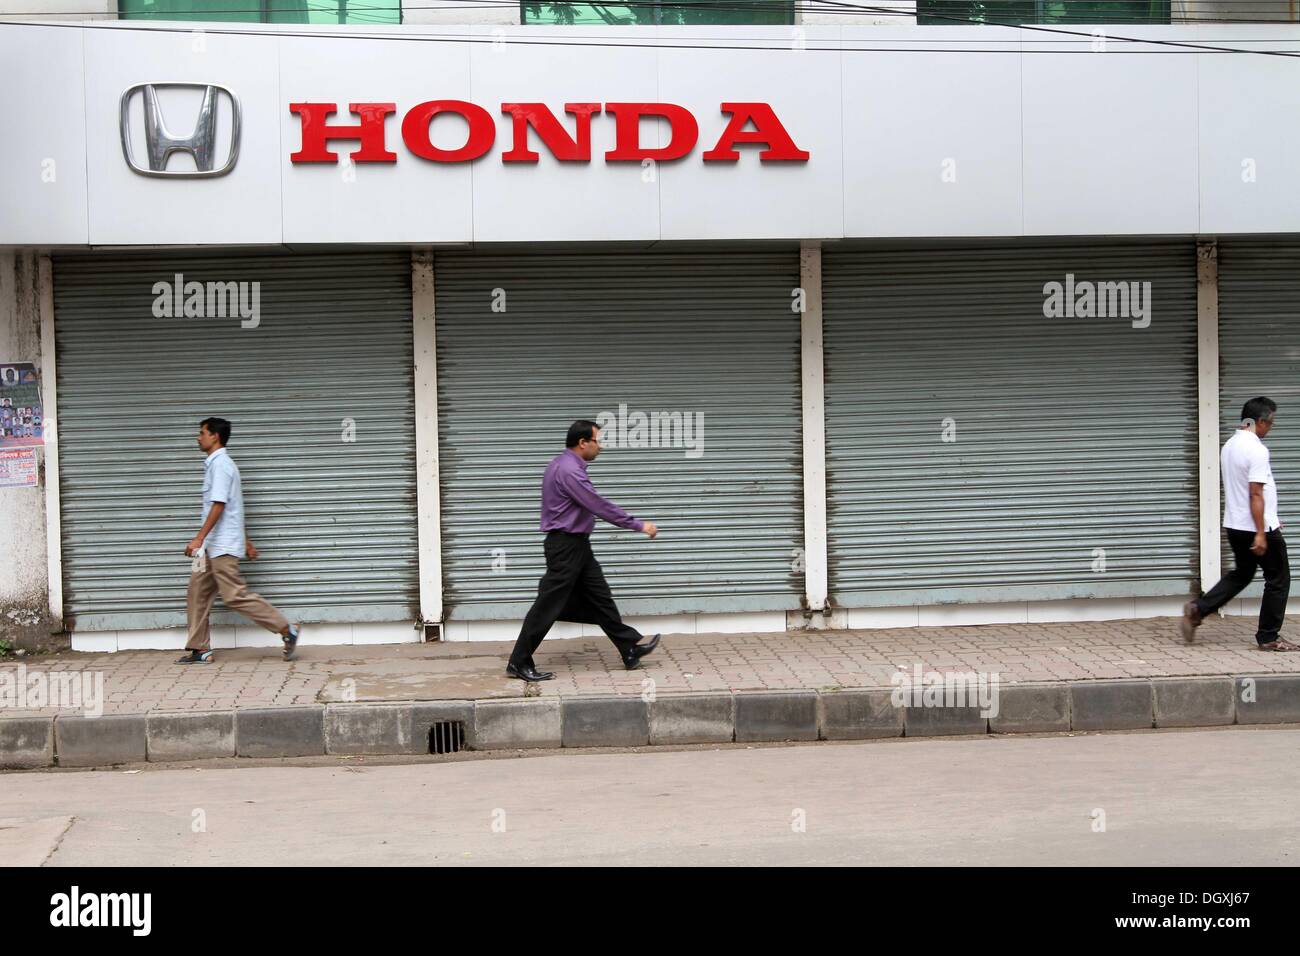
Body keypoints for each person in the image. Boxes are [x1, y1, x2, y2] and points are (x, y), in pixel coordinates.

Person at [506, 420, 661, 682]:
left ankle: (629, 648)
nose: (600, 447)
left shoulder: (560, 464)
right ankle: (519, 661)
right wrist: (638, 525)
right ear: (582, 443)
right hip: (566, 546)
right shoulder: (569, 471)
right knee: (547, 606)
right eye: (597, 441)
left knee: (601, 598)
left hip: (576, 545)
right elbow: (598, 505)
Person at [177, 417, 302, 663]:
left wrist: (198, 538)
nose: (198, 437)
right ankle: (200, 649)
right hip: (212, 547)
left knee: (234, 595)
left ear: (215, 436)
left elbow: (220, 505)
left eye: (202, 432)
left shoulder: (221, 465)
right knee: (197, 592)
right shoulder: (217, 464)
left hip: (220, 546)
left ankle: (287, 629)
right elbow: (234, 507)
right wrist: (245, 541)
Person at [1181, 397, 1295, 650]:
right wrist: (1262, 532)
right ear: (1259, 422)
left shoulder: (1230, 445)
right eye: (1270, 423)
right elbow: (1255, 493)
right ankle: (1269, 637)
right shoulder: (1257, 450)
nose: (1270, 428)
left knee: (1243, 573)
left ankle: (1198, 609)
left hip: (1235, 525)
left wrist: (1271, 516)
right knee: (1278, 578)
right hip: (1257, 528)